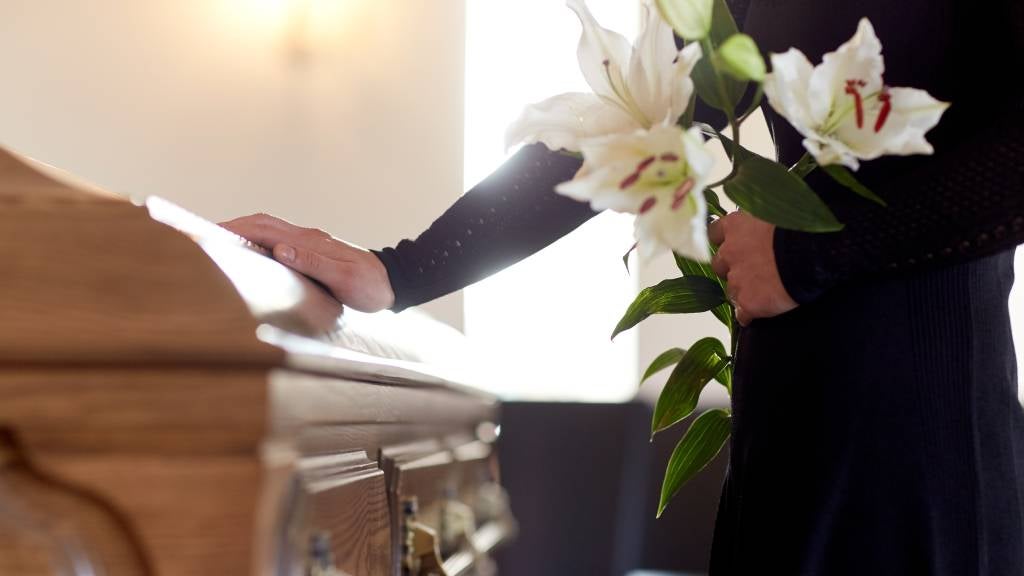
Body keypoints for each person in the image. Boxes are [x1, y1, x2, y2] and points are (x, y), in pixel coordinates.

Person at [223, 0, 1024, 573]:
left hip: (924, 435)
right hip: (789, 421)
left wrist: (817, 255)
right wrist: (403, 268)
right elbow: (636, 124)